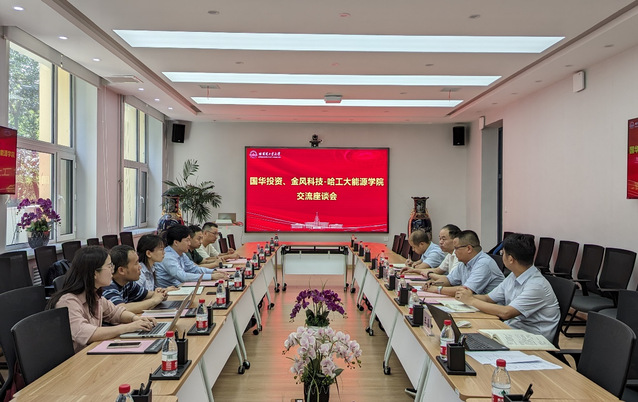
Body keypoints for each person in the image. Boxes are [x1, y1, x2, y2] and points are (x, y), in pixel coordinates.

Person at [47, 246, 156, 352]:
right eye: (109, 266)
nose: (112, 271)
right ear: (95, 273)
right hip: (76, 359)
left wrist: (135, 319)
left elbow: (115, 313)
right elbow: (87, 334)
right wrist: (129, 327)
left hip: (91, 351)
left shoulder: (94, 294)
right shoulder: (68, 301)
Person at [455, 233, 560, 342]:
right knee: (470, 335)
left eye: (502, 253)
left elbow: (506, 313)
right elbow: (488, 298)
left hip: (533, 339)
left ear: (510, 259)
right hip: (513, 331)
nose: (502, 256)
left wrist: (471, 300)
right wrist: (466, 296)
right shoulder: (514, 275)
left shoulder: (536, 285)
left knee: (474, 341)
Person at [426, 230, 504, 296]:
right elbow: (449, 279)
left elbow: (466, 290)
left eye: (456, 248)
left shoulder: (484, 264)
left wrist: (438, 289)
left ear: (469, 248)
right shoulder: (464, 262)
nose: (454, 252)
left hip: (490, 307)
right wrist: (434, 283)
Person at [155, 224, 228, 288]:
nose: (189, 243)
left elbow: (194, 269)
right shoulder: (167, 257)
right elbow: (183, 276)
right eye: (187, 240)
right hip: (169, 293)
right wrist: (211, 276)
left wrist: (214, 272)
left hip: (180, 288)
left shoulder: (181, 254)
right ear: (176, 242)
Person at [102, 245, 167, 314]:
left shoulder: (127, 283)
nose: (140, 267)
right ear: (121, 270)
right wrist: (154, 300)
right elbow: (120, 309)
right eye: (136, 263)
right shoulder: (107, 285)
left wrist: (161, 294)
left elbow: (147, 295)